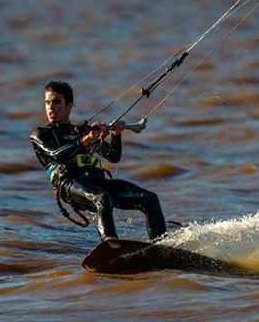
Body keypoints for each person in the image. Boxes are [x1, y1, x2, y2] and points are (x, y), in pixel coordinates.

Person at [30, 81, 167, 245]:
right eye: (47, 103)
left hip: (98, 182)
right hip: (70, 184)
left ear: (69, 106)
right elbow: (58, 155)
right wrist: (86, 139)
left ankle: (161, 246)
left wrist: (116, 135)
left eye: (56, 102)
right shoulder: (41, 134)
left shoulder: (81, 131)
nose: (51, 107)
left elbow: (113, 156)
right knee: (102, 198)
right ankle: (109, 244)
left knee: (150, 199)